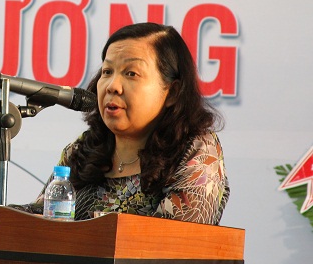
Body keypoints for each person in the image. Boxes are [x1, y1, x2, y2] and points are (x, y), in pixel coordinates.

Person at [13, 22, 229, 225]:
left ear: (172, 92)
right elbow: (40, 217)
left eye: (131, 73)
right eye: (107, 72)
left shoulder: (196, 151)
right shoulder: (83, 149)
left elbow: (173, 239)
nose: (112, 86)